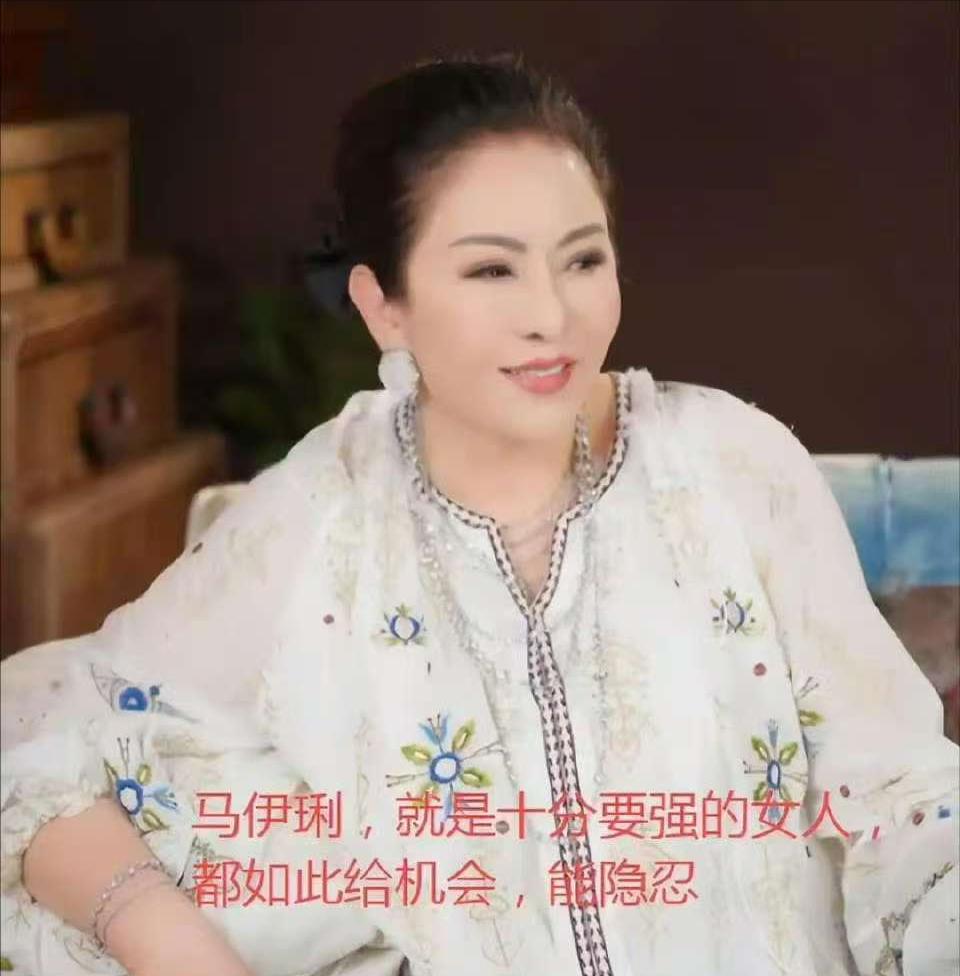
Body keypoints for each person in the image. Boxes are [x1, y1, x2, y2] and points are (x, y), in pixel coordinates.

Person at [1, 52, 957, 976]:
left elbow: (902, 793)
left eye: (583, 259)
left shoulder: (734, 469)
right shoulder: (319, 519)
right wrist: (170, 941)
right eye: (492, 271)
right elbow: (45, 736)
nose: (552, 315)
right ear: (384, 307)